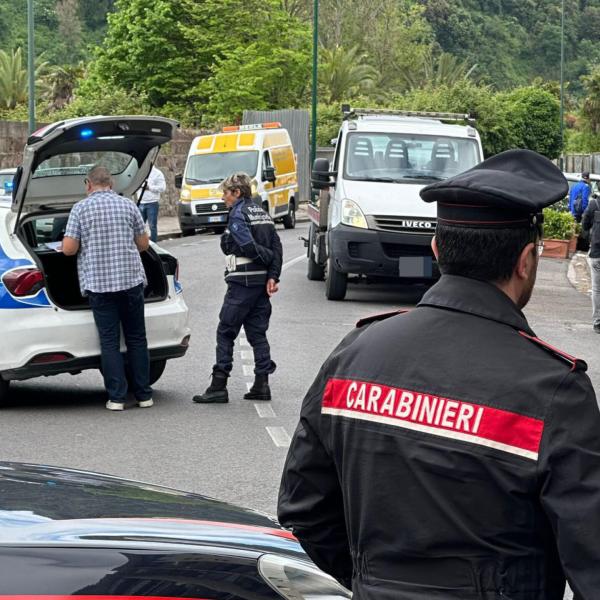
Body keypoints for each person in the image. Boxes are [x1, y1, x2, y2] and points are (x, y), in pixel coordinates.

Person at [278, 149, 600, 599]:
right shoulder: (554, 391)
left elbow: (304, 508)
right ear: (527, 260)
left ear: (435, 248)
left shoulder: (355, 354)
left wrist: (372, 582)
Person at [62, 165, 153, 411]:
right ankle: (144, 395)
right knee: (136, 338)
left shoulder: (80, 209)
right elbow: (143, 244)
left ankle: (117, 398)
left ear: (88, 185)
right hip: (130, 282)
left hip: (100, 286)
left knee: (110, 341)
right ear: (111, 184)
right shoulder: (128, 205)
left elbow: (69, 249)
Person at [193, 172, 282, 404]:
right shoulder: (261, 212)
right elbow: (277, 245)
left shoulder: (238, 213)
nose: (223, 198)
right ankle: (262, 384)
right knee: (257, 333)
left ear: (237, 193)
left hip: (242, 281)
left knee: (226, 331)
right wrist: (273, 273)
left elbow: (246, 244)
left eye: (226, 193)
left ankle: (218, 385)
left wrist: (265, 257)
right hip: (260, 283)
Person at [582, 192, 600, 333]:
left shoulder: (594, 204)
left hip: (597, 253)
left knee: (597, 288)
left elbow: (585, 224)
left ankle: (598, 321)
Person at [138, 165, 166, 242]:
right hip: (141, 202)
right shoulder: (139, 173)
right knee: (139, 226)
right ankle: (141, 243)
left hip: (152, 203)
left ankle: (154, 244)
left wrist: (149, 187)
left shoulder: (157, 173)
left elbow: (162, 188)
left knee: (152, 226)